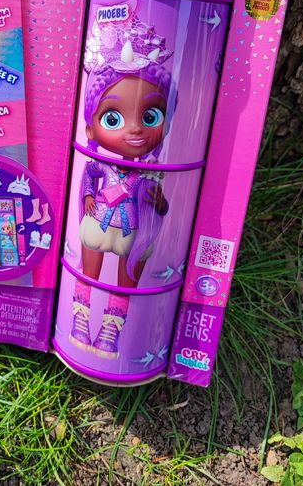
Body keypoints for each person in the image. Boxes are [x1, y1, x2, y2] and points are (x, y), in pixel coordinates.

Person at [69, 22, 177, 358]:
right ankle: (80, 320)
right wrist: (88, 195)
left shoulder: (149, 174)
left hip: (133, 231)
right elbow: (89, 176)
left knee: (126, 278)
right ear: (91, 127)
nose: (135, 130)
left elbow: (159, 204)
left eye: (151, 116)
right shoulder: (102, 165)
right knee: (90, 271)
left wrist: (160, 204)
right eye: (113, 119)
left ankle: (111, 330)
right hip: (99, 222)